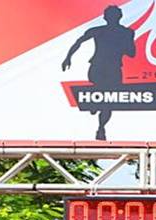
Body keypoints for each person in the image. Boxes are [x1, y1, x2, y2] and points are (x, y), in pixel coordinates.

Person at [61, 4, 136, 140]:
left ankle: (101, 127)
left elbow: (132, 53)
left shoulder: (126, 33)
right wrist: (68, 57)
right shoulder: (98, 30)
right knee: (103, 96)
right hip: (98, 67)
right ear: (105, 18)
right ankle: (94, 103)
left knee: (109, 101)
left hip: (113, 68)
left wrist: (120, 46)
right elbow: (79, 42)